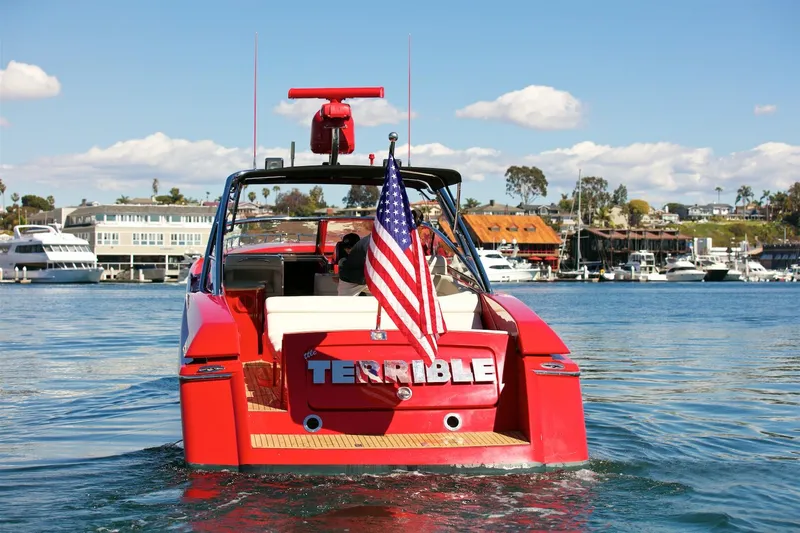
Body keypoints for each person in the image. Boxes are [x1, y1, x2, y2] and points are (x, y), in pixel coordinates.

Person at [336, 209, 426, 296]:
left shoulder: (394, 234)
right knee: (344, 307)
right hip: (351, 277)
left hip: (369, 274)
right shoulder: (386, 236)